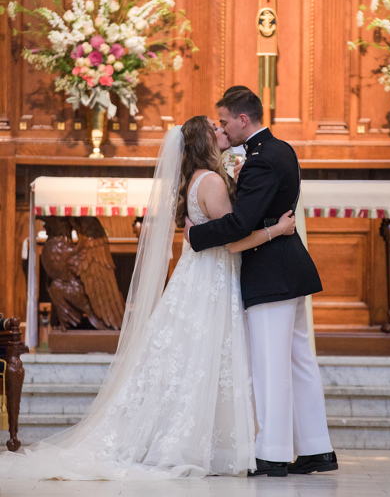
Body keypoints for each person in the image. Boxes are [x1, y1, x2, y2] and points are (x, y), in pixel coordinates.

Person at [0, 116, 295, 481]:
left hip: (199, 278)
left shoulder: (199, 179)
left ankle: (183, 437)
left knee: (188, 360)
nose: (222, 131)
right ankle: (193, 442)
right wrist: (277, 230)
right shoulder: (213, 181)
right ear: (203, 142)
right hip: (210, 281)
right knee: (201, 358)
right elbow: (232, 240)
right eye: (214, 129)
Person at [186, 87, 337, 477]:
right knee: (300, 361)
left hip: (269, 272)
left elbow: (240, 225)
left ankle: (272, 452)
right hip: (290, 269)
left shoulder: (258, 162)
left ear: (242, 120)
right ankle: (316, 448)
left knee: (272, 365)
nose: (222, 128)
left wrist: (194, 236)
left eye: (223, 121)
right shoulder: (282, 149)